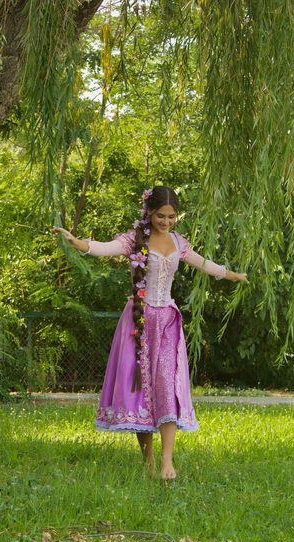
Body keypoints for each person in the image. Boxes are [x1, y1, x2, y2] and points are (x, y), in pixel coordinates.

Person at [53, 186, 248, 480]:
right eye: (161, 216)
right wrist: (78, 242)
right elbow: (106, 248)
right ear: (149, 212)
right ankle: (148, 462)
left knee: (166, 385)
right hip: (138, 321)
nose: (166, 222)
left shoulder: (178, 242)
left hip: (167, 322)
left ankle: (167, 462)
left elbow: (203, 263)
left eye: (171, 217)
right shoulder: (135, 239)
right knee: (140, 390)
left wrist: (231, 274)